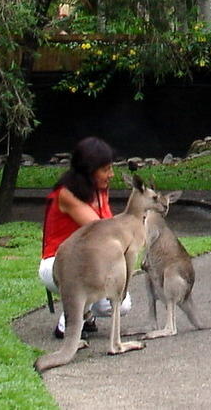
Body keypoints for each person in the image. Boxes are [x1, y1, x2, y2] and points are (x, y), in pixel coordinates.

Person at [38, 136, 132, 338]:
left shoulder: (99, 191)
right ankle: (67, 325)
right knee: (89, 269)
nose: (111, 174)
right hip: (55, 265)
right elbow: (101, 231)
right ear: (89, 171)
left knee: (122, 304)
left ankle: (85, 313)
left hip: (86, 262)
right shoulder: (67, 194)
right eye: (106, 169)